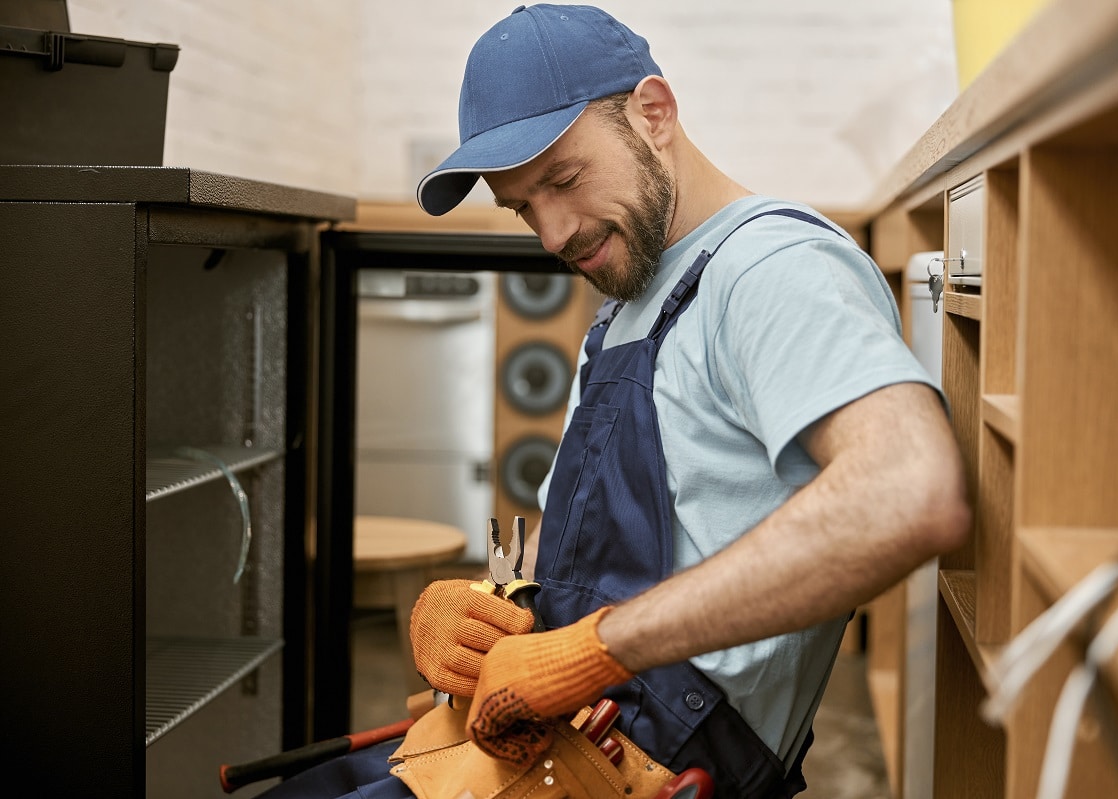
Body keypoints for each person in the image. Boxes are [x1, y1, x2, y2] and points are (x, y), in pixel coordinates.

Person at [265, 4, 969, 798]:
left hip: (645, 768)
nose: (553, 232)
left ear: (653, 113)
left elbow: (911, 491)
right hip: (544, 740)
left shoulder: (774, 268)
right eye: (523, 206)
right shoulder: (628, 307)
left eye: (564, 179)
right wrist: (483, 608)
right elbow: (600, 558)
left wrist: (599, 648)